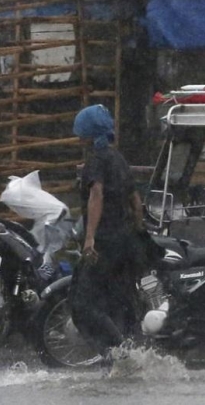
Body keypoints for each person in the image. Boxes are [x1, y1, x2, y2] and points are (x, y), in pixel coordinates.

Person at [70, 104, 148, 372]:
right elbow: (136, 202)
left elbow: (97, 195)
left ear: (88, 134)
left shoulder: (96, 161)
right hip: (125, 241)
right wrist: (137, 233)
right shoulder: (118, 159)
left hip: (104, 242)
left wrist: (89, 238)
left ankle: (117, 352)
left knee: (82, 303)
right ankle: (130, 353)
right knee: (120, 300)